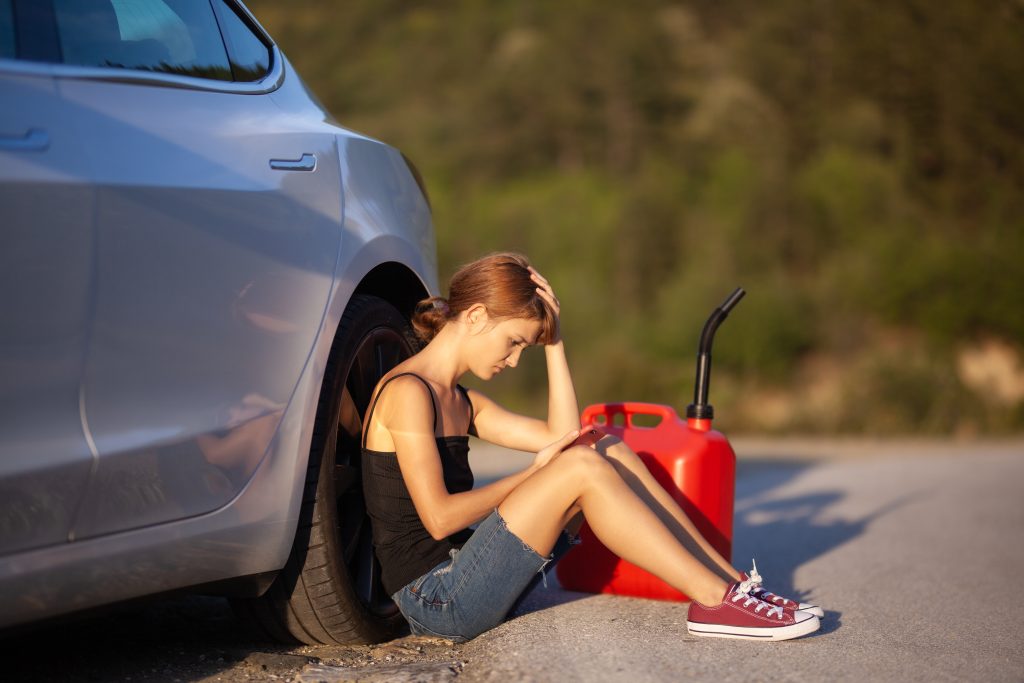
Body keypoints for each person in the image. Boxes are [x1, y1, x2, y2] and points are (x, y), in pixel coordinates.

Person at [360, 252, 822, 642]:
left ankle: (731, 583)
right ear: (477, 316)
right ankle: (714, 602)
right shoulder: (408, 393)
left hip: (473, 572)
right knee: (579, 463)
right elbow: (439, 518)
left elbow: (567, 437)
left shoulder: (462, 401)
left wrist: (555, 343)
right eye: (515, 342)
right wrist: (532, 474)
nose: (515, 359)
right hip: (437, 599)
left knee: (601, 444)